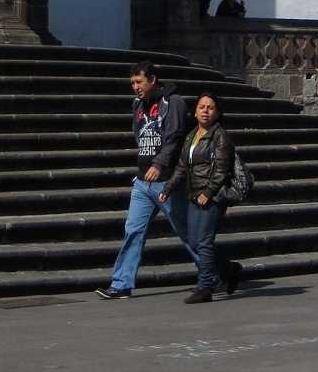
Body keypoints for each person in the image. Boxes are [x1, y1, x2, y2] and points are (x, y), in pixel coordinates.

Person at [96, 62, 195, 298]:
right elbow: (138, 134)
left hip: (167, 180)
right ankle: (121, 284)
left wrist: (159, 164)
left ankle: (217, 271)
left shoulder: (174, 102)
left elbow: (174, 137)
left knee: (186, 231)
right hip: (142, 181)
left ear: (152, 79)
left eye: (138, 82)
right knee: (133, 230)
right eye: (132, 83)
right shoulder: (137, 105)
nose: (135, 87)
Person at [159, 93, 241, 302]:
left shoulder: (220, 136)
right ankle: (228, 268)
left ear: (217, 112)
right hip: (193, 193)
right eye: (202, 107)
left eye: (210, 107)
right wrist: (168, 188)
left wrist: (208, 192)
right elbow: (181, 166)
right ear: (195, 112)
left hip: (211, 197)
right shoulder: (192, 135)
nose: (205, 111)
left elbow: (222, 170)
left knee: (203, 241)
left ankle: (205, 287)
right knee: (195, 241)